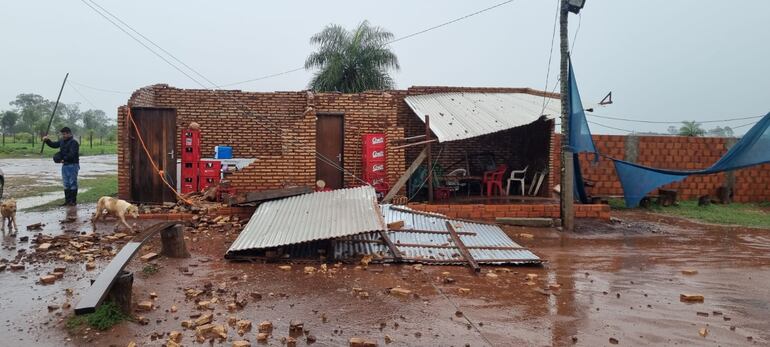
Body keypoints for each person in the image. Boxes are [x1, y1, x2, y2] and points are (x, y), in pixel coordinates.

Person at [43, 127, 80, 206]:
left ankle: (73, 201)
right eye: (62, 134)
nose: (63, 135)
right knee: (66, 183)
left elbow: (72, 154)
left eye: (65, 134)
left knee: (72, 183)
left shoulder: (74, 142)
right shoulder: (62, 141)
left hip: (73, 165)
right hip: (65, 165)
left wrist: (64, 159)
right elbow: (54, 145)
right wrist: (47, 140)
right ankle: (67, 201)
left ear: (69, 133)